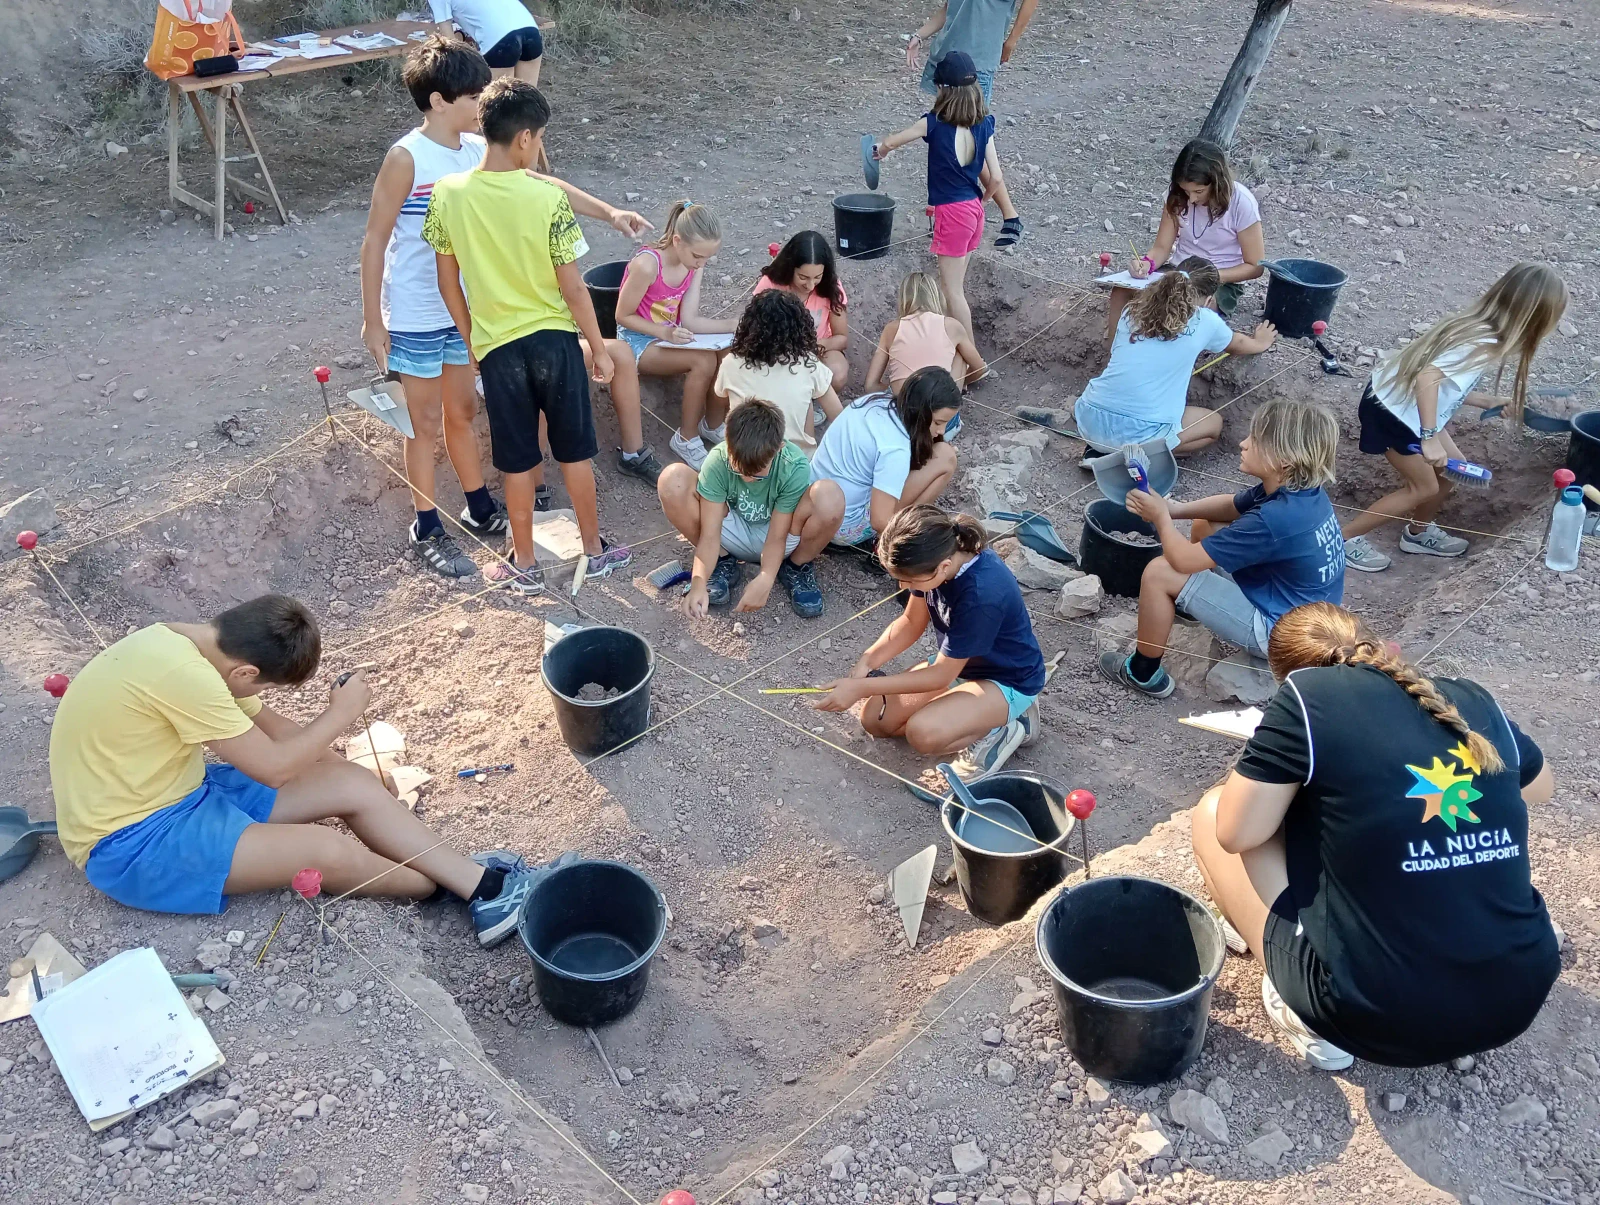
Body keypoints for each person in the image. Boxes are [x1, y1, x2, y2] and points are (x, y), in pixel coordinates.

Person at [1191, 602, 1559, 1070]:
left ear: (1284, 676)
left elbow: (1237, 832)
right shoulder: (1469, 697)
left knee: (1213, 812)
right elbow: (1541, 788)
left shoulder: (1306, 697)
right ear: (1387, 650)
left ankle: (1311, 1019)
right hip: (1519, 994)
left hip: (1373, 1015)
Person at [48, 596, 536, 945]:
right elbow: (275, 768)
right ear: (245, 672)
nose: (249, 697)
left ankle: (476, 882)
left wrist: (362, 778)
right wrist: (342, 713)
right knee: (325, 850)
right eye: (253, 688)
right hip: (131, 842)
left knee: (351, 783)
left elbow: (277, 731)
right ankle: (440, 885)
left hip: (179, 794)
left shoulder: (184, 643)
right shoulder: (185, 678)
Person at [423, 78, 632, 596]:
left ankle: (524, 562)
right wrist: (599, 348)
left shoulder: (447, 194)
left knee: (517, 460)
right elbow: (573, 286)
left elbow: (448, 280)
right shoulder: (545, 195)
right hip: (556, 342)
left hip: (498, 349)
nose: (537, 149)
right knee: (574, 453)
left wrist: (472, 341)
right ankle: (595, 551)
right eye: (538, 140)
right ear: (524, 139)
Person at [357, 35, 505, 580]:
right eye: (473, 96)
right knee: (420, 424)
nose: (481, 105)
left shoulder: (474, 150)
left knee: (462, 412)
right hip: (417, 310)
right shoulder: (406, 158)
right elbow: (374, 241)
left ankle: (478, 504)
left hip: (460, 309)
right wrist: (374, 319)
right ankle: (426, 524)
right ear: (439, 100)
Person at [1104, 398, 1345, 699]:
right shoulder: (1299, 492)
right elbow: (1230, 506)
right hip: (1309, 619)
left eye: (1255, 440)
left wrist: (1160, 518)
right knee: (1207, 525)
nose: (1243, 443)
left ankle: (1142, 672)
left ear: (1284, 461)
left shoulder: (1275, 520)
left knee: (1159, 573)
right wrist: (1173, 508)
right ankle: (1189, 602)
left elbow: (1182, 559)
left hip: (1281, 637)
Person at [1341, 263, 1570, 572]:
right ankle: (1343, 540)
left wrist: (1484, 400)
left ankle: (1417, 533)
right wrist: (1430, 435)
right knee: (1423, 488)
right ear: (1532, 319)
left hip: (1400, 402)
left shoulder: (1477, 326)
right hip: (1393, 413)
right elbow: (1427, 378)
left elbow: (1445, 382)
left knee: (1451, 473)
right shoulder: (1480, 343)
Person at [813, 505, 1046, 782]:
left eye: (908, 580)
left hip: (1006, 680)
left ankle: (1001, 727)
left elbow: (940, 676)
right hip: (961, 666)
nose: (903, 587)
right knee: (875, 720)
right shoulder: (933, 559)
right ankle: (972, 713)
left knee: (922, 734)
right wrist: (868, 660)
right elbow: (911, 622)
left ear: (943, 567)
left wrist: (861, 687)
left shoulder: (981, 595)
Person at [657, 399, 844, 618]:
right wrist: (699, 582)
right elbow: (709, 535)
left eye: (756, 473)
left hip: (779, 535)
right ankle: (722, 562)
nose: (747, 478)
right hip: (731, 531)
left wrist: (766, 577)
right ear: (727, 443)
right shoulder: (718, 460)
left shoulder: (793, 465)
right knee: (672, 479)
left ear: (778, 449)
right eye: (739, 470)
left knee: (830, 496)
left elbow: (777, 537)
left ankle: (795, 568)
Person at [1075, 257, 1276, 458]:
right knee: (1213, 424)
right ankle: (1135, 457)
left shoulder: (1133, 309)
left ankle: (1100, 452)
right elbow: (1238, 344)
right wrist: (1261, 342)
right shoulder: (1204, 320)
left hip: (1089, 419)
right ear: (1208, 300)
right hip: (1141, 433)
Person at [872, 51, 999, 346]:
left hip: (952, 213)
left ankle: (971, 360)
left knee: (954, 293)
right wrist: (983, 202)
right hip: (974, 212)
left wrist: (880, 150)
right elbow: (996, 178)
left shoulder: (933, 123)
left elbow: (893, 140)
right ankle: (948, 348)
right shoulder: (985, 123)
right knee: (951, 288)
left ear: (943, 90)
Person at [614, 200, 739, 471]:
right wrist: (664, 332)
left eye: (706, 258)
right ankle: (686, 437)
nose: (701, 263)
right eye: (698, 256)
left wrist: (732, 325)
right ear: (678, 241)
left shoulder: (692, 264)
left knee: (728, 352)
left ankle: (713, 425)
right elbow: (622, 316)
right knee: (703, 362)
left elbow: (690, 319)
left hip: (668, 336)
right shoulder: (648, 265)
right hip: (637, 341)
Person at [1105, 139, 1265, 349]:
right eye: (1186, 190)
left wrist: (1211, 276)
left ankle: (1167, 360)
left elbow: (1256, 266)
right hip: (1178, 269)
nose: (1190, 199)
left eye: (1198, 192)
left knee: (1182, 308)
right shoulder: (1177, 196)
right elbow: (1162, 247)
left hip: (1222, 279)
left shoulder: (1241, 203)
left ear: (1217, 183)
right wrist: (1146, 264)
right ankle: (1113, 354)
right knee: (1121, 292)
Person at [905, 0, 1034, 248]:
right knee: (956, 144)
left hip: (975, 69)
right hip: (946, 65)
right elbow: (951, 8)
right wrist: (919, 36)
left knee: (974, 145)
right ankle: (965, 216)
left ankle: (1009, 215)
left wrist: (1012, 40)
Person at [813, 366, 962, 551]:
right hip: (842, 528)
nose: (941, 431)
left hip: (814, 504)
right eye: (938, 422)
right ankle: (892, 543)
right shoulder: (895, 448)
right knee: (946, 457)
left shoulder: (874, 402)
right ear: (920, 412)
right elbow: (880, 520)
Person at [713, 290, 840, 453]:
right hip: (795, 463)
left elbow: (722, 399)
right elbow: (838, 416)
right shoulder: (808, 363)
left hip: (746, 459)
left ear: (749, 326)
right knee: (807, 399)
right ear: (800, 329)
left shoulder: (731, 362)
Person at [754, 232, 850, 392]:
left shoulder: (831, 287)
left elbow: (842, 339)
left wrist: (814, 346)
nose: (811, 285)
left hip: (818, 349)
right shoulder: (770, 284)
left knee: (837, 372)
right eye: (803, 277)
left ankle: (819, 403)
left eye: (817, 277)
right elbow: (755, 329)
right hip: (777, 351)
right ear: (790, 268)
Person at [866, 272, 987, 397]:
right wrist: (961, 382)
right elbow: (980, 368)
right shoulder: (952, 326)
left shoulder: (891, 329)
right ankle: (951, 400)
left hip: (903, 408)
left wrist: (895, 392)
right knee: (961, 353)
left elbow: (871, 386)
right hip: (940, 406)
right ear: (936, 296)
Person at [428, 0, 543, 84]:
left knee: (498, 107)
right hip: (530, 29)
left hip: (501, 39)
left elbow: (449, 41)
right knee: (528, 102)